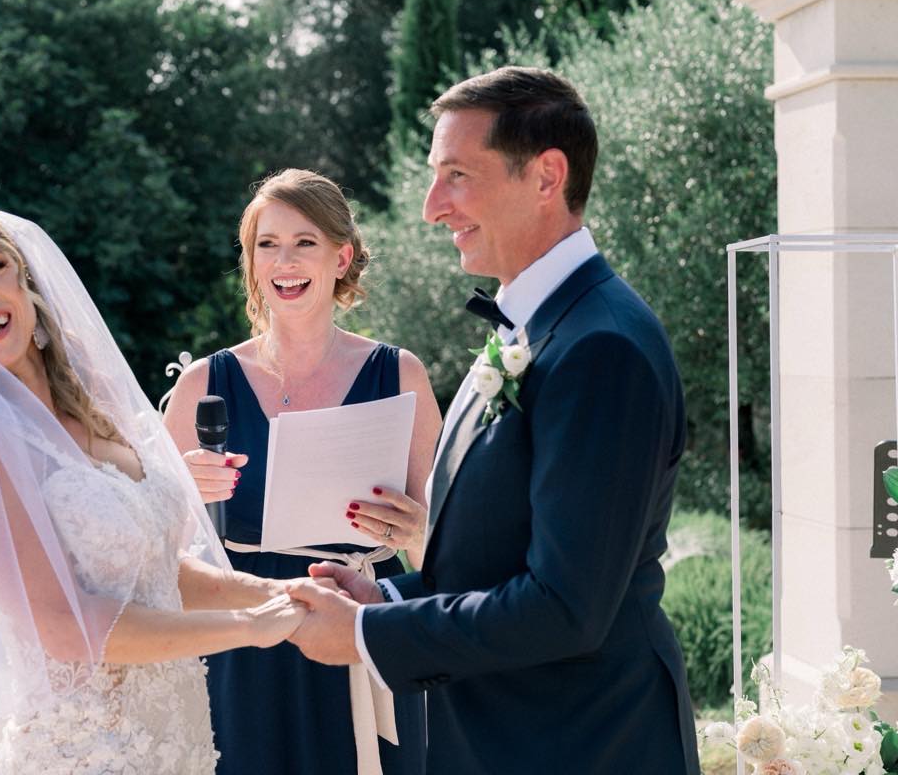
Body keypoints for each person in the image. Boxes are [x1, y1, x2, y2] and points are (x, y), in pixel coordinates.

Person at [286, 69, 699, 774]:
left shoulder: (601, 346)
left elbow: (565, 607)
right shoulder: (540, 328)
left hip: (579, 745)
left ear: (546, 177)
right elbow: (499, 554)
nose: (431, 207)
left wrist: (365, 634)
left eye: (457, 175)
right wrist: (384, 596)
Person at [0, 202, 321, 775]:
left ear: (24, 276)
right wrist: (251, 628)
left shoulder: (92, 396)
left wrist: (273, 591)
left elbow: (155, 571)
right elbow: (62, 625)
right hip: (85, 754)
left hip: (178, 744)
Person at [164, 169, 441, 775]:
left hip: (363, 623)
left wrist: (414, 530)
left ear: (341, 257)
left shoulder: (401, 375)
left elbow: (448, 551)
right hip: (242, 638)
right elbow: (151, 553)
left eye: (304, 242)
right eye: (267, 244)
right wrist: (180, 491)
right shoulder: (202, 384)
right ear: (251, 261)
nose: (284, 262)